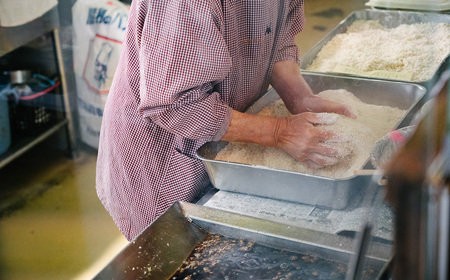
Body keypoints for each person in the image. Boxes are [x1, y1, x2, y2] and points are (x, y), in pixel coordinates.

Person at [96, 0, 355, 241]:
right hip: (161, 154)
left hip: (220, 134)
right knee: (173, 249)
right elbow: (174, 103)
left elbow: (277, 35)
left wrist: (298, 96)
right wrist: (280, 132)